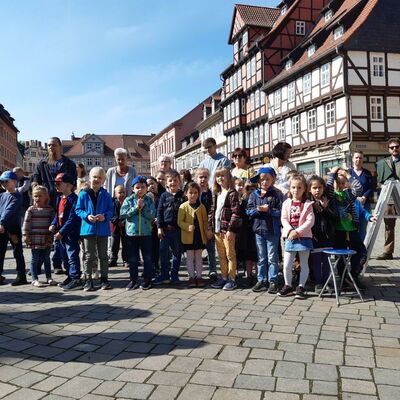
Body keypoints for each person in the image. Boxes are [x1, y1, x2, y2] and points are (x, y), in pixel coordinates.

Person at [32, 137, 77, 275]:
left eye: (54, 145)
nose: (51, 147)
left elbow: (73, 182)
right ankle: (37, 265)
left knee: (60, 231)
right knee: (42, 233)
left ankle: (57, 264)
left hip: (62, 200)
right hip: (46, 202)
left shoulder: (68, 163)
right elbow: (35, 180)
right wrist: (36, 193)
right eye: (49, 145)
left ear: (60, 147)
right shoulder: (42, 163)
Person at [327, 167, 369, 289]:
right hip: (338, 231)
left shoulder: (349, 194)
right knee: (341, 257)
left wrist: (346, 174)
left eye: (342, 183)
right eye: (337, 183)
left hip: (352, 230)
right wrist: (333, 174)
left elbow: (359, 188)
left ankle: (354, 276)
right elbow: (329, 187)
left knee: (361, 253)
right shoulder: (332, 195)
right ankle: (344, 279)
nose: (340, 185)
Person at [76, 167, 114, 291]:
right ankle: (88, 280)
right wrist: (86, 216)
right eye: (94, 177)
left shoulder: (107, 195)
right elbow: (78, 209)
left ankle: (104, 279)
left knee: (103, 256)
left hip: (103, 229)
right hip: (88, 229)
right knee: (88, 255)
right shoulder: (83, 193)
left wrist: (105, 216)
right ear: (89, 178)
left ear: (103, 180)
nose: (96, 179)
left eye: (99, 177)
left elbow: (111, 210)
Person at [247, 167, 284, 293]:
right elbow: (248, 211)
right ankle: (261, 280)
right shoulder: (254, 194)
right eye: (262, 179)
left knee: (272, 257)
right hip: (259, 230)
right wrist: (257, 210)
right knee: (261, 257)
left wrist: (269, 210)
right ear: (258, 180)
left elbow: (281, 212)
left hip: (272, 231)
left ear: (273, 179)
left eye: (267, 179)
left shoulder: (277, 194)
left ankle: (273, 280)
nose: (264, 182)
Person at [279, 174, 315, 299]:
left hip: (304, 237)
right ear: (290, 188)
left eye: (299, 187)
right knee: (287, 264)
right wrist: (289, 231)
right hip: (290, 236)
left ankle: (301, 286)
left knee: (304, 263)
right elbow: (283, 219)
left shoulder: (308, 204)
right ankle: (288, 285)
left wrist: (298, 232)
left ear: (304, 188)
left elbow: (310, 221)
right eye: (293, 187)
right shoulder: (286, 203)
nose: (296, 190)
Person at [121, 176, 156, 290]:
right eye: (137, 187)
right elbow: (123, 214)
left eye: (143, 187)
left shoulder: (149, 200)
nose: (140, 189)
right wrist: (136, 208)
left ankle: (147, 279)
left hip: (146, 233)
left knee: (147, 257)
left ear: (146, 188)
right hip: (132, 234)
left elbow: (152, 215)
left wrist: (143, 207)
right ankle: (133, 280)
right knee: (133, 258)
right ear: (133, 189)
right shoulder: (129, 200)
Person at [208, 167, 240, 291]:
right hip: (217, 229)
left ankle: (232, 278)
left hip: (227, 230)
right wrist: (210, 227)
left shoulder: (232, 193)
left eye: (223, 176)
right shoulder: (216, 192)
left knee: (230, 254)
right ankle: (224, 276)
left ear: (228, 177)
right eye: (218, 176)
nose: (220, 178)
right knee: (221, 255)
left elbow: (236, 213)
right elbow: (212, 211)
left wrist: (231, 229)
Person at [49, 173, 82, 291]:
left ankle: (76, 278)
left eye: (59, 183)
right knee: (64, 256)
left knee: (72, 256)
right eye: (55, 183)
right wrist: (53, 224)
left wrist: (61, 232)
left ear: (68, 185)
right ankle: (69, 276)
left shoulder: (74, 199)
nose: (56, 185)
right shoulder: (59, 198)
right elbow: (58, 214)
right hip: (61, 234)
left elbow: (72, 218)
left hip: (70, 233)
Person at [155, 169, 185, 284]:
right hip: (165, 229)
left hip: (177, 230)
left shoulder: (182, 195)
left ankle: (174, 274)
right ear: (166, 183)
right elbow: (159, 212)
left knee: (177, 253)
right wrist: (159, 227)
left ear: (179, 182)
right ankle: (164, 274)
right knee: (163, 253)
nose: (173, 183)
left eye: (175, 180)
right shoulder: (163, 196)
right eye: (170, 181)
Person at [307, 175, 337, 293]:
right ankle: (318, 282)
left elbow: (335, 216)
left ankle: (326, 281)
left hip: (327, 236)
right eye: (314, 188)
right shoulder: (308, 202)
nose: (317, 190)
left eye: (320, 187)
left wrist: (325, 208)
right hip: (314, 237)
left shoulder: (329, 200)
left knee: (326, 260)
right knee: (315, 260)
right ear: (309, 189)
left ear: (324, 188)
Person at [22, 185, 57, 287]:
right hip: (35, 238)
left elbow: (53, 223)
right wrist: (25, 236)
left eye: (40, 196)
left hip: (46, 238)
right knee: (35, 259)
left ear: (46, 197)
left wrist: (51, 235)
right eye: (35, 196)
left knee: (46, 258)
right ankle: (34, 279)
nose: (37, 198)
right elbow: (26, 223)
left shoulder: (50, 210)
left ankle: (49, 278)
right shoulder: (31, 209)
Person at [178, 182, 208, 287]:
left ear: (198, 194)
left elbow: (205, 221)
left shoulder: (201, 207)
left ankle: (199, 276)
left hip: (199, 236)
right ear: (186, 193)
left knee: (199, 257)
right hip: (188, 237)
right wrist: (187, 226)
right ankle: (191, 276)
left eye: (195, 193)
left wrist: (206, 231)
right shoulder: (183, 206)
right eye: (190, 192)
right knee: (190, 257)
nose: (193, 195)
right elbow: (180, 221)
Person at [0, 171, 27, 286]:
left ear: (15, 182)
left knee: (17, 252)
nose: (4, 183)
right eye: (2, 181)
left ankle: (21, 276)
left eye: (7, 181)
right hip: (1, 228)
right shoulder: (1, 195)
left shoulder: (17, 196)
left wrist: (1, 222)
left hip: (13, 229)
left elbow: (8, 211)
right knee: (0, 252)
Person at [376, 138, 400, 260]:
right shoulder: (382, 163)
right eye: (392, 147)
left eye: (397, 146)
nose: (395, 149)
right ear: (389, 149)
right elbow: (379, 182)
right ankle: (388, 251)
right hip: (389, 198)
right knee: (389, 226)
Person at [195, 168, 218, 281]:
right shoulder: (193, 192)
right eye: (200, 177)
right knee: (197, 250)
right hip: (195, 226)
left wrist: (210, 227)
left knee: (211, 249)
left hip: (208, 225)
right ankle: (197, 271)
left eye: (205, 177)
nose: (203, 179)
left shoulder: (211, 193)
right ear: (196, 178)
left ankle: (212, 270)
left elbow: (212, 210)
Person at [236, 179, 258, 287]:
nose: (250, 190)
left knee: (257, 256)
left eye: (253, 188)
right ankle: (249, 276)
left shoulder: (258, 200)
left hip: (257, 231)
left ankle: (258, 276)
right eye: (248, 188)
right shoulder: (243, 202)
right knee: (248, 256)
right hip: (246, 232)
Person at [349, 151, 373, 241]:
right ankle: (352, 250)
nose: (358, 159)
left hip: (365, 204)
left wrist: (364, 197)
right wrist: (355, 198)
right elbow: (344, 187)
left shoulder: (367, 173)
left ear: (363, 159)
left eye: (360, 158)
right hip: (351, 205)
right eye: (356, 157)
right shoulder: (348, 172)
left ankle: (360, 251)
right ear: (352, 159)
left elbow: (371, 187)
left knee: (362, 229)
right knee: (351, 228)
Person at [147, 176, 165, 275]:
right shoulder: (147, 196)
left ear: (156, 183)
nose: (150, 186)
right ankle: (152, 267)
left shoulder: (163, 194)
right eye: (148, 185)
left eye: (152, 183)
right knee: (150, 248)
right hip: (149, 226)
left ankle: (160, 267)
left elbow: (165, 209)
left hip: (161, 225)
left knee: (159, 248)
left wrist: (159, 219)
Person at [109, 185, 128, 268]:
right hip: (115, 227)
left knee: (126, 244)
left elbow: (130, 213)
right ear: (115, 193)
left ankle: (126, 259)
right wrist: (117, 221)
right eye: (119, 192)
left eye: (123, 192)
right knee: (114, 244)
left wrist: (124, 221)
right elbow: (110, 214)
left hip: (126, 226)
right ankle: (113, 259)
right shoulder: (112, 202)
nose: (122, 194)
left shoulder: (128, 202)